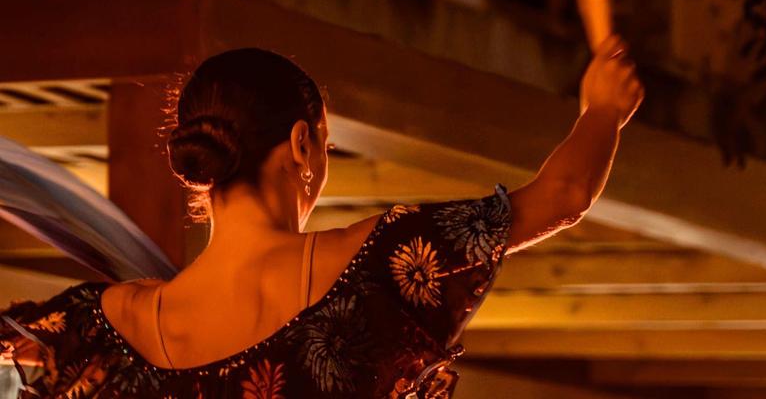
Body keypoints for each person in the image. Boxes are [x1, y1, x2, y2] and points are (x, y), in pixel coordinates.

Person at [0, 34, 642, 398]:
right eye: (327, 146)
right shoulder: (387, 265)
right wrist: (603, 108)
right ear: (303, 144)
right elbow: (564, 194)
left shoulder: (89, 329)